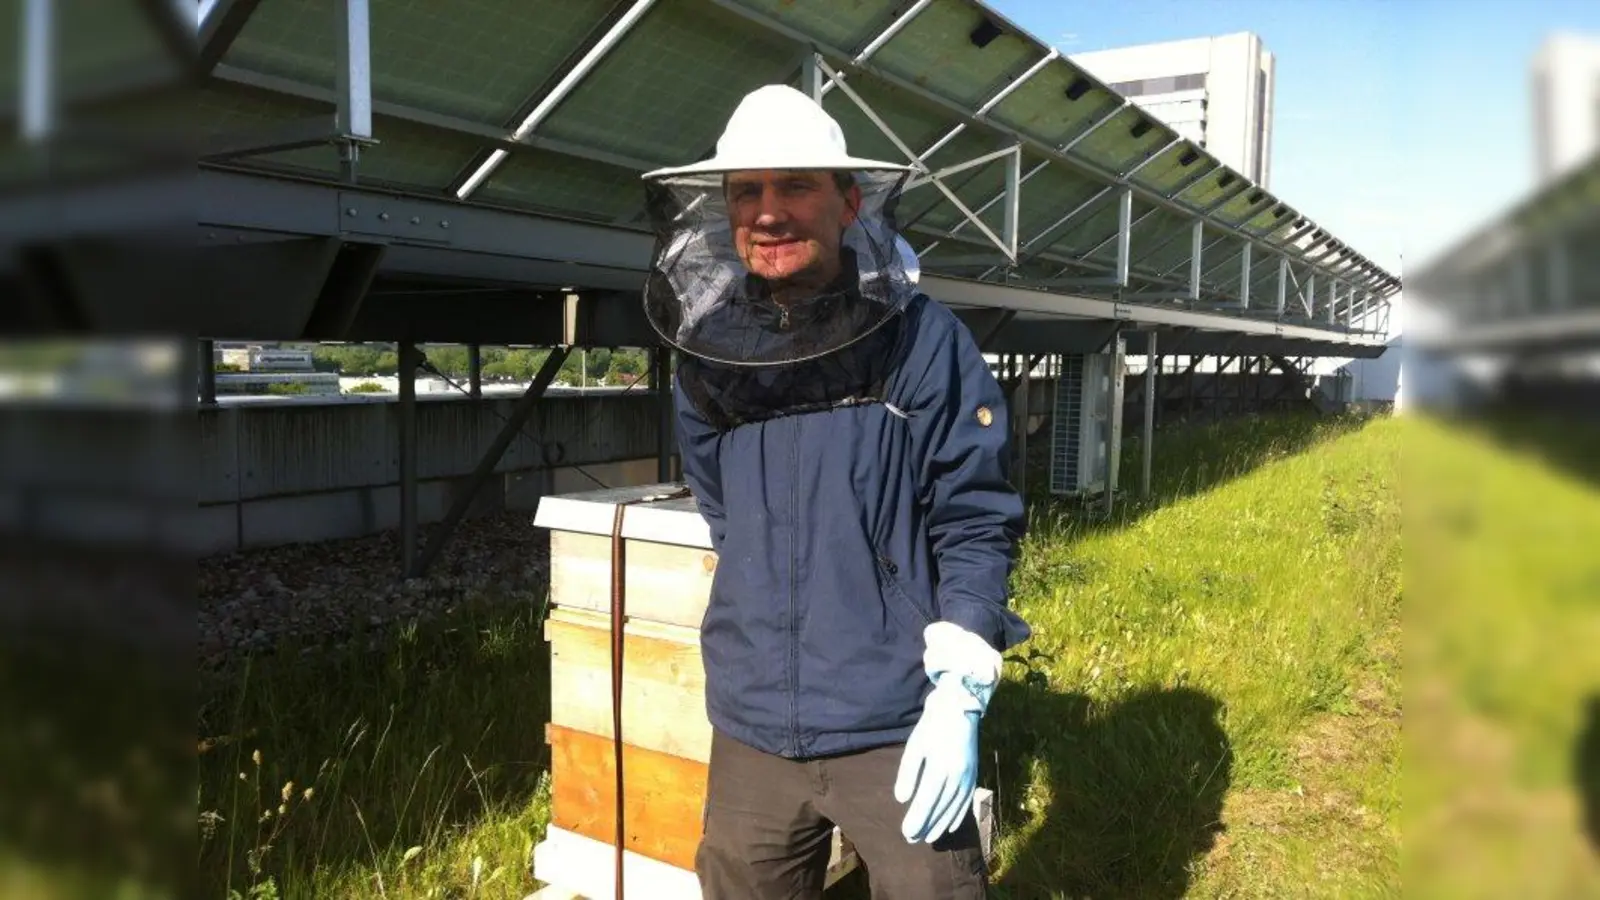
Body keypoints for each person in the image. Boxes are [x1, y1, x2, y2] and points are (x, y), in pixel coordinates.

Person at [639, 83, 1031, 899]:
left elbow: (974, 517)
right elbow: (724, 514)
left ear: (850, 202)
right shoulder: (708, 357)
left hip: (893, 716)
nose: (768, 212)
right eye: (746, 191)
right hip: (751, 723)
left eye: (795, 185)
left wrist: (960, 686)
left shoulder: (920, 339)